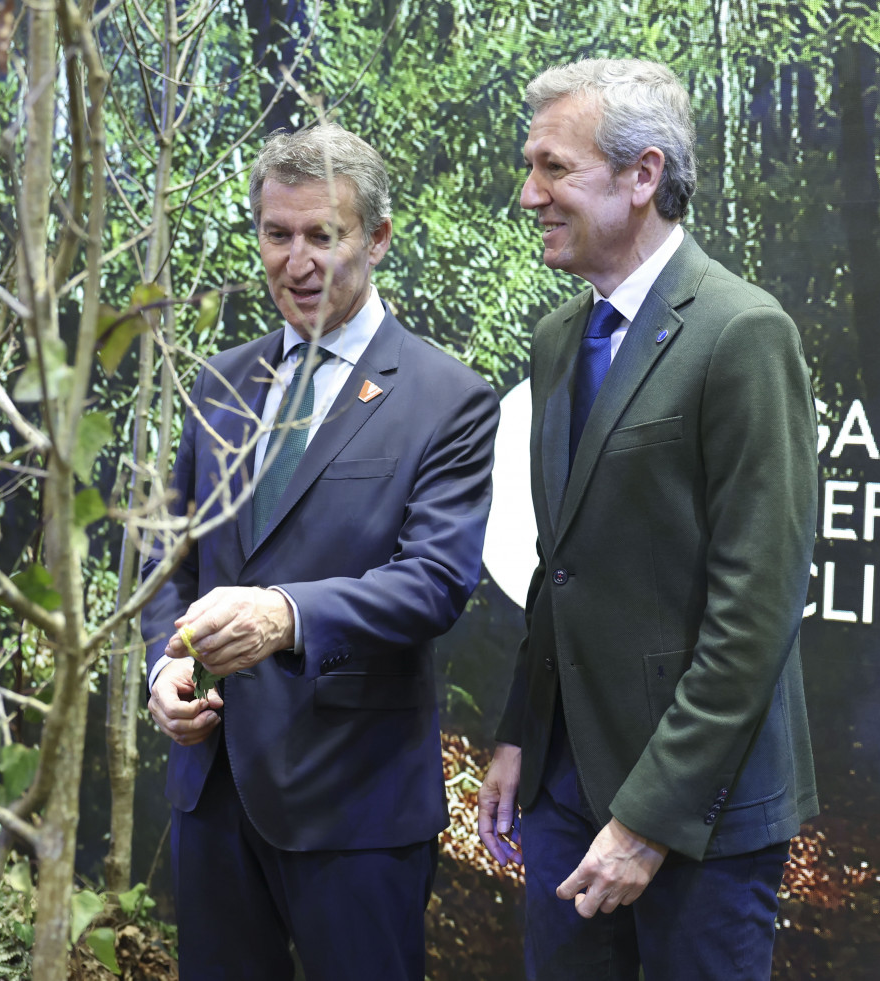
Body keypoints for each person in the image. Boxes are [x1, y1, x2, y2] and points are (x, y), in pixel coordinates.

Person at [477, 58, 819, 980]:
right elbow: (563, 563)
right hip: (563, 794)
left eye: (553, 168)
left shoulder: (742, 333)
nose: (528, 193)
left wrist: (647, 821)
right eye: (529, 165)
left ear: (642, 176)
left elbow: (755, 616)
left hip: (696, 817)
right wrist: (519, 730)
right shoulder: (559, 337)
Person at [142, 122, 499, 981]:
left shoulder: (448, 398)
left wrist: (285, 615)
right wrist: (163, 666)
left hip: (356, 807)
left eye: (321, 236)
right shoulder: (220, 382)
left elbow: (434, 582)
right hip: (214, 789)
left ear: (375, 238)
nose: (295, 261)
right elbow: (170, 556)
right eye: (276, 233)